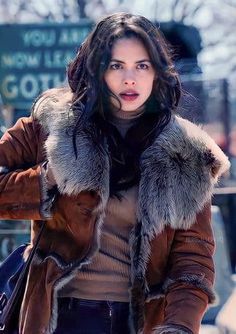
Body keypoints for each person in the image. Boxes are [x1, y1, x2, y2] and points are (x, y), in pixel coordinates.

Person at [0, 12, 230, 334]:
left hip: (139, 323)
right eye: (116, 65)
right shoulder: (52, 125)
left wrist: (178, 326)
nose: (130, 79)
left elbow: (193, 262)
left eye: (142, 65)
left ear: (157, 73)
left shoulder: (188, 153)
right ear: (97, 70)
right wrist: (49, 178)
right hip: (57, 317)